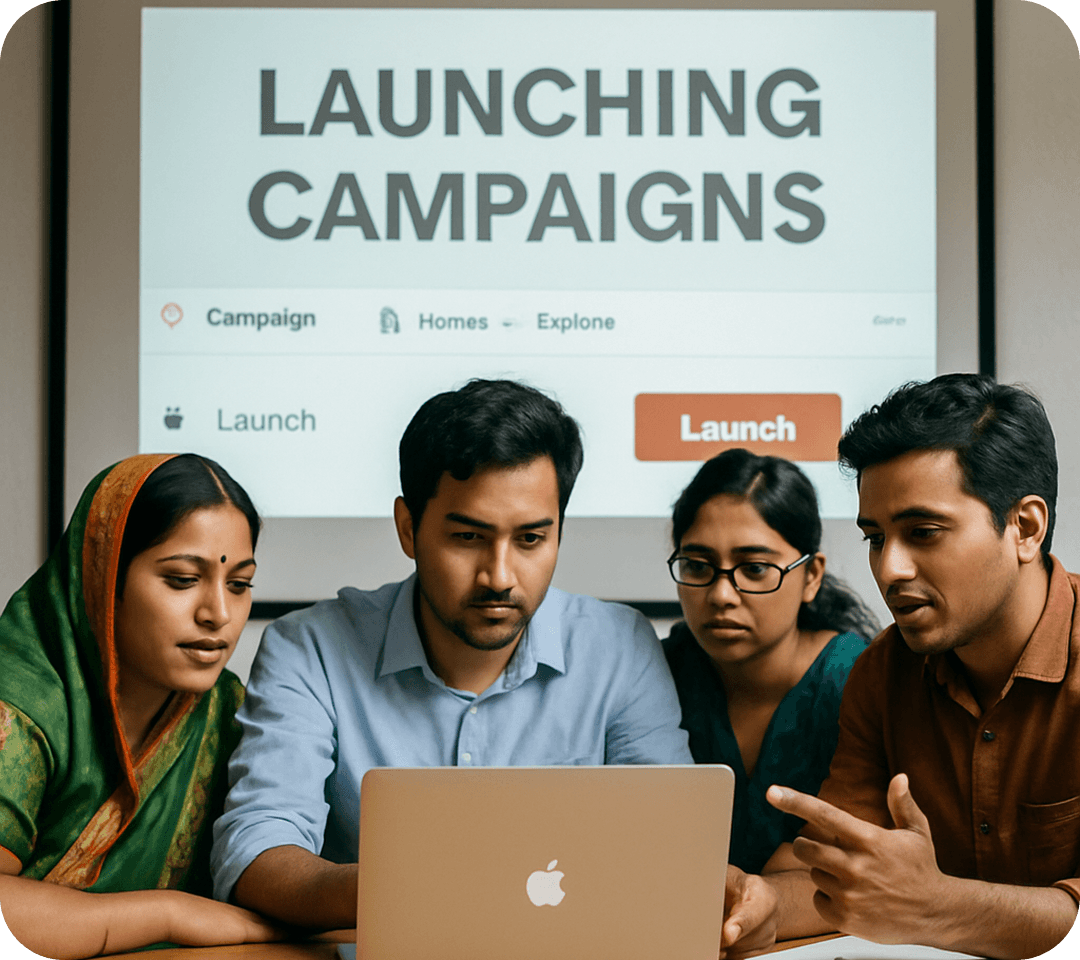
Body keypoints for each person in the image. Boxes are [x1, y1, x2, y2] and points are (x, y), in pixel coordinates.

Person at [211, 379, 693, 930]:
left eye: (531, 540)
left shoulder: (620, 647)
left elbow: (672, 841)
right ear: (408, 528)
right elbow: (255, 846)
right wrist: (411, 891)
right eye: (468, 538)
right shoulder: (311, 648)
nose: (500, 576)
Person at [757, 374, 1080, 959]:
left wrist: (937, 906)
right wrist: (755, 903)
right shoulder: (883, 672)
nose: (890, 570)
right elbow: (840, 872)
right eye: (876, 538)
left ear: (1026, 528)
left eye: (923, 533)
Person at [0, 453, 280, 959]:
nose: (218, 613)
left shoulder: (226, 711)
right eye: (182, 579)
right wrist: (169, 913)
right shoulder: (18, 702)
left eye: (238, 585)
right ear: (103, 578)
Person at [663, 449, 878, 877]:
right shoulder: (659, 671)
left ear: (811, 576)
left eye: (756, 569)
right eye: (697, 566)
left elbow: (843, 853)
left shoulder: (855, 679)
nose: (721, 595)